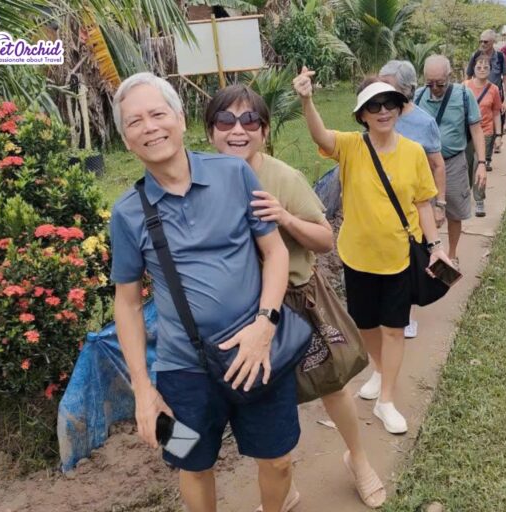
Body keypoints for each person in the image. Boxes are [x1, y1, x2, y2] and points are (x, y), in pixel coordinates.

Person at [109, 72, 297, 512]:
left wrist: (265, 326)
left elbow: (276, 253)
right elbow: (128, 303)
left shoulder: (234, 173)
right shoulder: (127, 213)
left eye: (158, 114)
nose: (150, 127)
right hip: (183, 371)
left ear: (180, 118)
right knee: (192, 464)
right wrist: (143, 389)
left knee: (278, 459)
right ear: (127, 142)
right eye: (135, 121)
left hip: (256, 353)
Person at [204, 85, 386, 509]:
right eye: (225, 121)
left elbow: (324, 238)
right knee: (264, 398)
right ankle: (284, 488)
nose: (238, 130)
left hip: (297, 301)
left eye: (250, 121)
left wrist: (284, 217)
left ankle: (358, 458)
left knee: (331, 385)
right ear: (210, 132)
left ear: (264, 131)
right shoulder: (204, 181)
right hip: (241, 313)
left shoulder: (282, 177)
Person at [293, 67, 453, 435]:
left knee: (394, 329)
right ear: (362, 115)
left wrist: (435, 247)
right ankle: (380, 371)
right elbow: (320, 135)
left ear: (399, 108)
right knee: (365, 325)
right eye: (374, 106)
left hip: (398, 257)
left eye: (390, 104)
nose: (383, 111)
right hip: (357, 256)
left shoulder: (413, 152)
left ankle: (387, 400)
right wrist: (307, 100)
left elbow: (423, 204)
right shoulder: (351, 146)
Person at [379, 59, 447, 339]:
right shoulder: (377, 116)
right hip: (381, 204)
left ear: (406, 90)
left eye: (388, 87)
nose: (381, 95)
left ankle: (406, 314)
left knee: (410, 258)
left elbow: (438, 165)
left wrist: (440, 204)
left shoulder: (423, 122)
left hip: (413, 204)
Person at [415, 55, 486, 266]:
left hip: (453, 163)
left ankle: (452, 255)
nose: (435, 88)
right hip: (424, 166)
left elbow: (477, 130)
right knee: (423, 211)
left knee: (454, 212)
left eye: (440, 83)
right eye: (430, 83)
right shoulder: (417, 97)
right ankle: (429, 255)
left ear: (450, 76)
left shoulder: (464, 95)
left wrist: (481, 164)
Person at [463, 55, 503, 218]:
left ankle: (479, 200)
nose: (482, 69)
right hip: (466, 134)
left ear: (490, 70)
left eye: (486, 67)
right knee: (465, 166)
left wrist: (498, 135)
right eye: (479, 67)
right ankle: (465, 195)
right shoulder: (464, 86)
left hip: (485, 132)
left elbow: (496, 113)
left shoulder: (494, 89)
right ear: (473, 68)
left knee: (479, 166)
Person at [465, 29, 506, 154]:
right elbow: (468, 76)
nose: (482, 44)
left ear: (493, 41)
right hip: (477, 99)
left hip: (495, 97)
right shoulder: (475, 56)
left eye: (485, 42)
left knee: (495, 123)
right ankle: (482, 152)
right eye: (480, 41)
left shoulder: (500, 57)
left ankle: (491, 149)